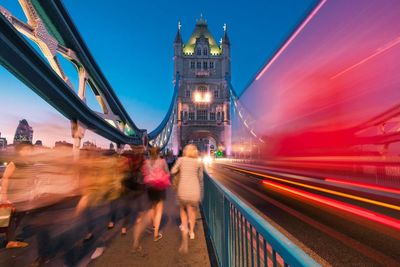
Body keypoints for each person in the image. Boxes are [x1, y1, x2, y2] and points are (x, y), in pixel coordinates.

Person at [171, 144, 203, 253]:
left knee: (183, 210)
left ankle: (184, 229)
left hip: (183, 189)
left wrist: (180, 168)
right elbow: (201, 177)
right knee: (192, 211)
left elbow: (173, 171)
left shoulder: (181, 159)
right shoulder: (198, 161)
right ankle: (192, 232)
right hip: (194, 190)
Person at [142, 147, 170, 242]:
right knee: (159, 210)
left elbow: (144, 173)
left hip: (150, 187)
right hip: (160, 187)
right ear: (158, 153)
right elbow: (167, 172)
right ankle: (156, 234)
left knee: (153, 207)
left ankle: (154, 225)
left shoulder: (146, 162)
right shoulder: (162, 161)